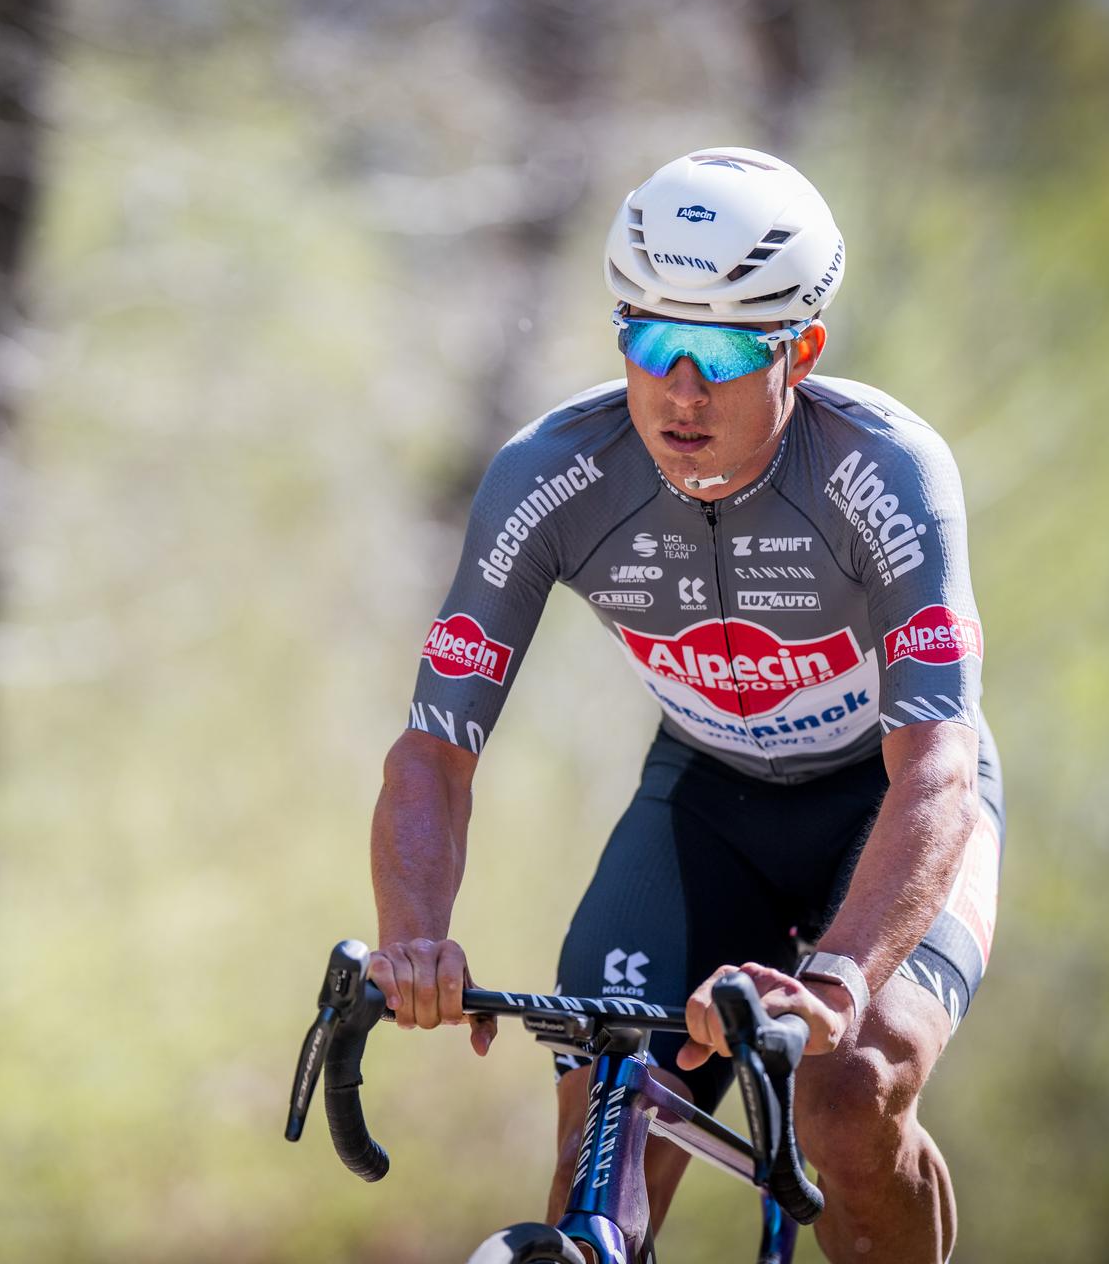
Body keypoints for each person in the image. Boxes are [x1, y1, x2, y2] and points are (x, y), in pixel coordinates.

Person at [366, 146, 1003, 1263]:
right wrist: (413, 933)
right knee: (605, 1118)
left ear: (800, 349)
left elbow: (938, 772)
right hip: (709, 797)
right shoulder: (552, 474)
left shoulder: (886, 472)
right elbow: (433, 749)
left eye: (719, 349)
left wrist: (840, 978)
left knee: (847, 1091)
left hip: (888, 800)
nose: (681, 390)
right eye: (653, 343)